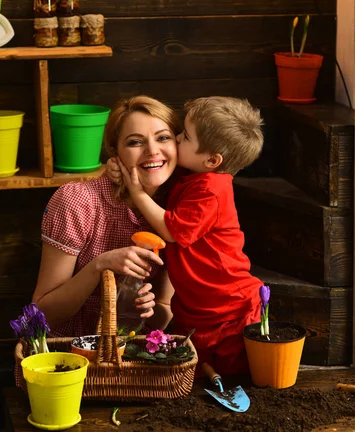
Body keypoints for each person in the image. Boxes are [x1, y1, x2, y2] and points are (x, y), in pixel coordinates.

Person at [113, 96, 265, 376]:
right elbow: (150, 164)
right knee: (195, 369)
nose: (177, 140)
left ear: (211, 160)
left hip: (228, 305)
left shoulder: (211, 189)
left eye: (184, 136)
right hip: (197, 305)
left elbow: (171, 230)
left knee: (236, 372)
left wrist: (136, 192)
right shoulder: (196, 175)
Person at [32, 96, 182, 338]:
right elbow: (43, 314)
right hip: (67, 359)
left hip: (132, 363)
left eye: (163, 137)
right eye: (135, 142)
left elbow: (163, 312)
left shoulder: (179, 211)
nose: (153, 151)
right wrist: (99, 265)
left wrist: (145, 310)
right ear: (115, 151)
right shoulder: (78, 201)